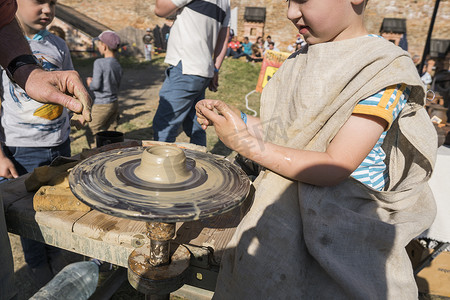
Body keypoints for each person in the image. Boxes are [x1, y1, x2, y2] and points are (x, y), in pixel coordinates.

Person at [196, 0, 437, 298]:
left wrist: (244, 142)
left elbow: (335, 165)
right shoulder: (300, 60)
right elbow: (288, 134)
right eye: (287, 0)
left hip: (342, 233)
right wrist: (239, 121)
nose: (290, 12)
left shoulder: (380, 69)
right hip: (279, 220)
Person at [0, 1, 91, 299]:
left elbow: (68, 80)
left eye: (51, 2)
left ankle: (57, 255)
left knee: (60, 206)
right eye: (38, 1)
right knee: (30, 213)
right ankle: (37, 264)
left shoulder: (58, 44)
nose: (46, 9)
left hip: (58, 143)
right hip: (21, 149)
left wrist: (78, 108)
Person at [152, 0, 230, 147]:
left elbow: (160, 10)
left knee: (164, 126)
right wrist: (215, 69)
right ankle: (201, 162)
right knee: (196, 125)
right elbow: (224, 37)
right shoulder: (225, 1)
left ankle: (160, 167)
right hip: (203, 71)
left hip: (186, 68)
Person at [86, 30, 123, 147]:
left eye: (99, 45)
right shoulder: (117, 64)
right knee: (111, 132)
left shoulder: (99, 62)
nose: (98, 47)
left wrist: (89, 83)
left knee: (92, 130)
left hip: (102, 103)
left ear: (104, 46)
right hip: (114, 103)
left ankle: (94, 156)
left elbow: (96, 85)